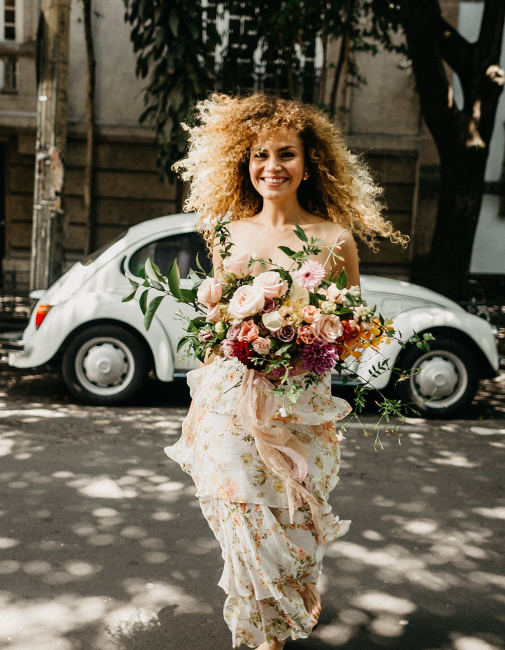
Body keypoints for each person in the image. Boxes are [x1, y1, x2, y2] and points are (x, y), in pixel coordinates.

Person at [165, 93, 407, 650]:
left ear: (310, 162)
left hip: (301, 403)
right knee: (240, 513)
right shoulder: (226, 233)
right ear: (241, 163)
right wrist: (198, 408)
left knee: (294, 519)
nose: (271, 166)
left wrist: (306, 334)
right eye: (259, 155)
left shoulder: (334, 237)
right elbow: (217, 323)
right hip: (232, 400)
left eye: (286, 154)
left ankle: (277, 622)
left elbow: (352, 328)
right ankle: (259, 637)